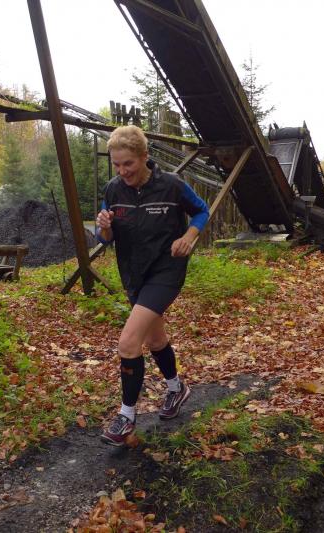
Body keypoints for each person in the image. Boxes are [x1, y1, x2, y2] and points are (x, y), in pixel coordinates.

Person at [95, 125, 209, 446]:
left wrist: (189, 236)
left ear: (145, 156)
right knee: (155, 339)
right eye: (117, 164)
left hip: (166, 271)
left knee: (128, 342)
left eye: (128, 163)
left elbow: (201, 210)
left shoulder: (171, 186)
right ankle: (176, 388)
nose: (122, 171)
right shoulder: (113, 190)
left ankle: (126, 415)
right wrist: (104, 228)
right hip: (134, 274)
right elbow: (105, 238)